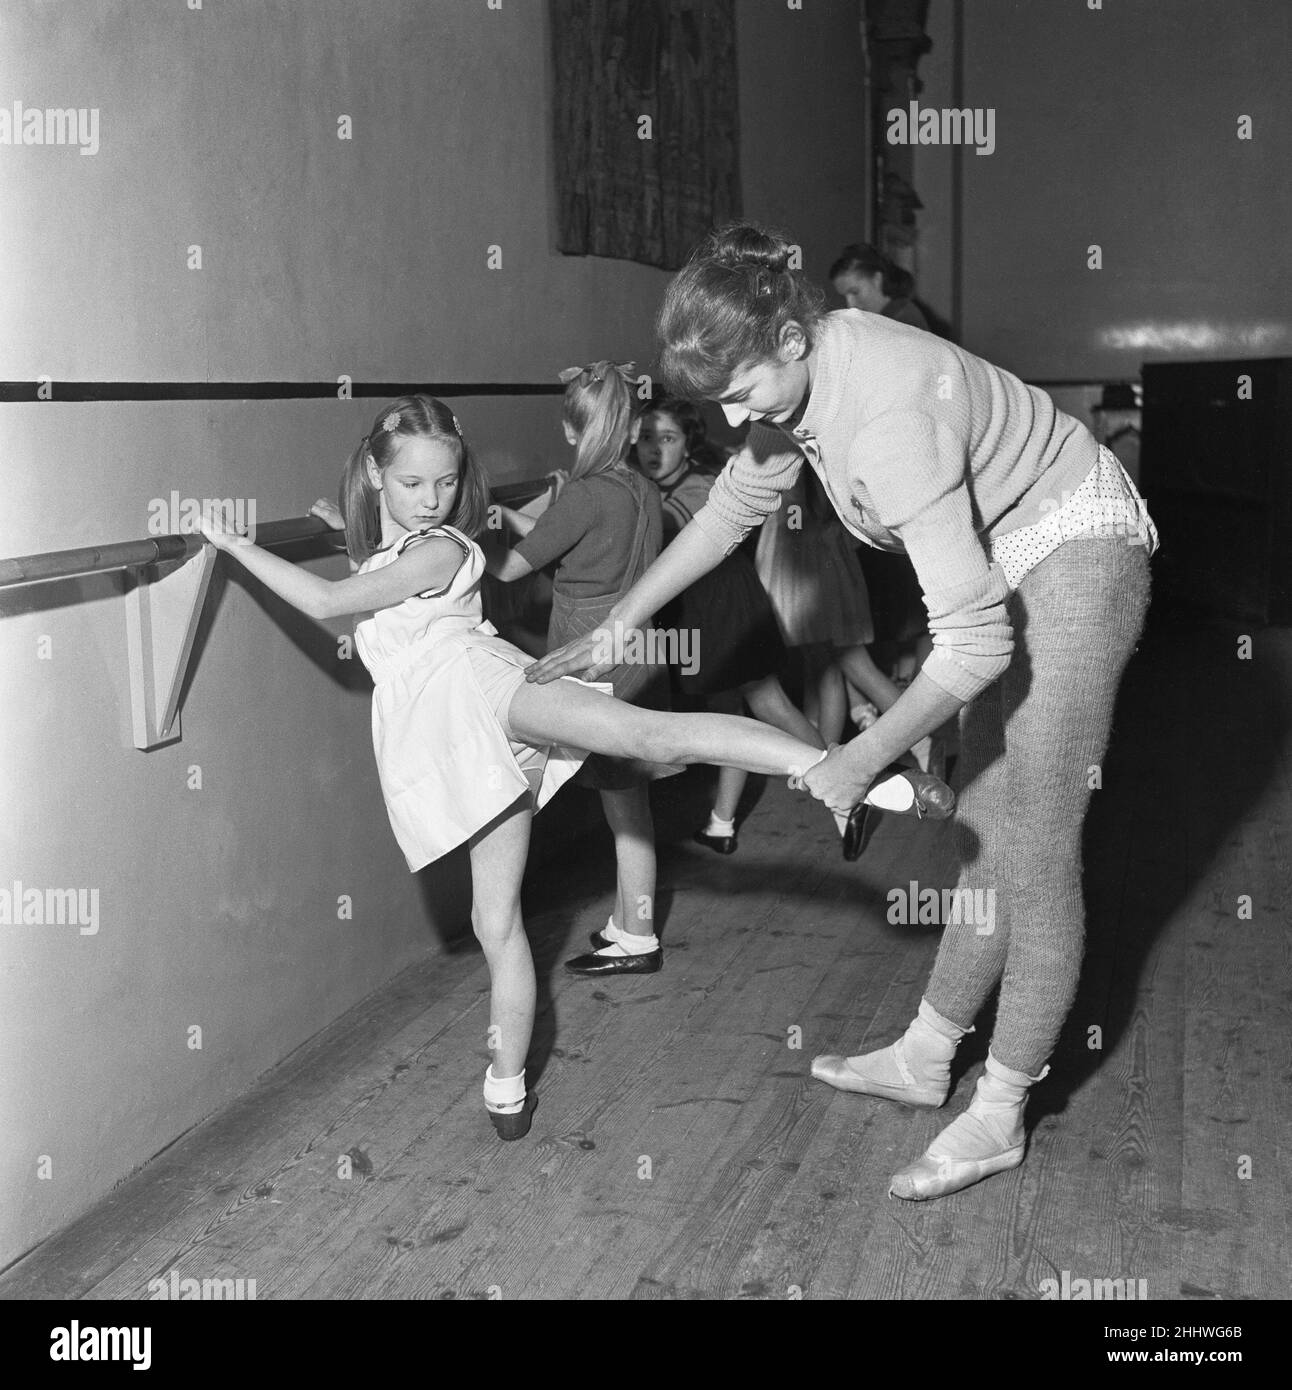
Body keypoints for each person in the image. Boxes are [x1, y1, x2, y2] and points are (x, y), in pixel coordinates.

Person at [528, 222, 1158, 1201]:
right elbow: (738, 506)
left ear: (791, 338)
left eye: (739, 394)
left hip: (1075, 542)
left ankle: (998, 1109)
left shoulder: (888, 419)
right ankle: (926, 1050)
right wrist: (621, 620)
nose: (734, 420)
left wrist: (861, 759)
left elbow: (973, 643)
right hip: (998, 553)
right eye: (716, 403)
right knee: (987, 830)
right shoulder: (787, 377)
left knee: (1033, 849)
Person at [200, 394, 844, 1144]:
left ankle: (831, 763)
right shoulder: (396, 546)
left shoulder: (438, 547)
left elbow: (327, 600)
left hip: (485, 690)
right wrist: (347, 528)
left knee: (649, 736)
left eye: (445, 482)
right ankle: (506, 1084)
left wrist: (233, 545)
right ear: (376, 476)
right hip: (450, 732)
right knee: (492, 919)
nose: (433, 499)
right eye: (413, 484)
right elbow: (383, 576)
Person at [490, 362, 675, 979]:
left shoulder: (583, 494)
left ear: (572, 431)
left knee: (623, 807)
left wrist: (473, 530)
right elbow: (575, 544)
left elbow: (514, 569)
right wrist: (531, 524)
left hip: (591, 647)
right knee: (630, 799)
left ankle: (639, 936)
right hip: (640, 642)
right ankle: (630, 921)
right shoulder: (641, 487)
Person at [635, 397, 824, 855]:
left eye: (668, 438)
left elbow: (662, 528)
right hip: (703, 611)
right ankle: (721, 822)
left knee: (766, 702)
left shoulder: (699, 484)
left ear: (688, 443)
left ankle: (844, 778)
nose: (654, 449)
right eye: (645, 438)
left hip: (728, 607)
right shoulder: (653, 486)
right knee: (730, 714)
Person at [829, 243, 930, 331]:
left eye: (855, 292)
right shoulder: (894, 316)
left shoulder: (902, 321)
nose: (850, 304)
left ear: (877, 279)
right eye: (845, 296)